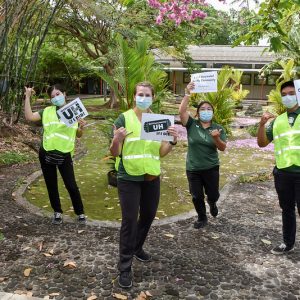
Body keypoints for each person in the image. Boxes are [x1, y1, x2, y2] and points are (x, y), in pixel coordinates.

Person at [110, 81, 178, 288]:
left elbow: (160, 153)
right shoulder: (123, 118)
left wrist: (172, 141)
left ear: (153, 98)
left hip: (151, 176)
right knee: (129, 220)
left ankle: (137, 247)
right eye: (140, 94)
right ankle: (124, 266)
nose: (143, 98)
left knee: (148, 215)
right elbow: (114, 152)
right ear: (134, 96)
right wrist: (117, 139)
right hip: (129, 176)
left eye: (147, 95)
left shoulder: (158, 121)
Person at [24, 84, 87, 225]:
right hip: (46, 152)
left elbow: (79, 134)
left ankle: (80, 212)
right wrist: (27, 97)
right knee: (51, 184)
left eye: (58, 94)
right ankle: (57, 212)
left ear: (64, 93)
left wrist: (81, 127)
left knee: (71, 184)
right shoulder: (46, 111)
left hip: (65, 154)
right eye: (52, 97)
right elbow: (29, 117)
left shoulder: (74, 110)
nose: (56, 98)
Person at [258, 80, 300, 255]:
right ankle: (287, 243)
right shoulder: (277, 121)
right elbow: (261, 143)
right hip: (283, 172)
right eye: (284, 95)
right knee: (287, 209)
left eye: (291, 93)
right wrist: (261, 125)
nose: (288, 97)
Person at [179, 81, 227, 229]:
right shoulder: (192, 124)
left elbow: (222, 148)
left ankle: (212, 203)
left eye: (209, 109)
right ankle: (202, 217)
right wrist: (187, 93)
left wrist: (216, 138)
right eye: (202, 109)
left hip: (211, 167)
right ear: (198, 113)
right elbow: (181, 112)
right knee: (196, 196)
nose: (206, 111)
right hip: (193, 168)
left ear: (212, 112)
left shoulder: (218, 128)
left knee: (213, 195)